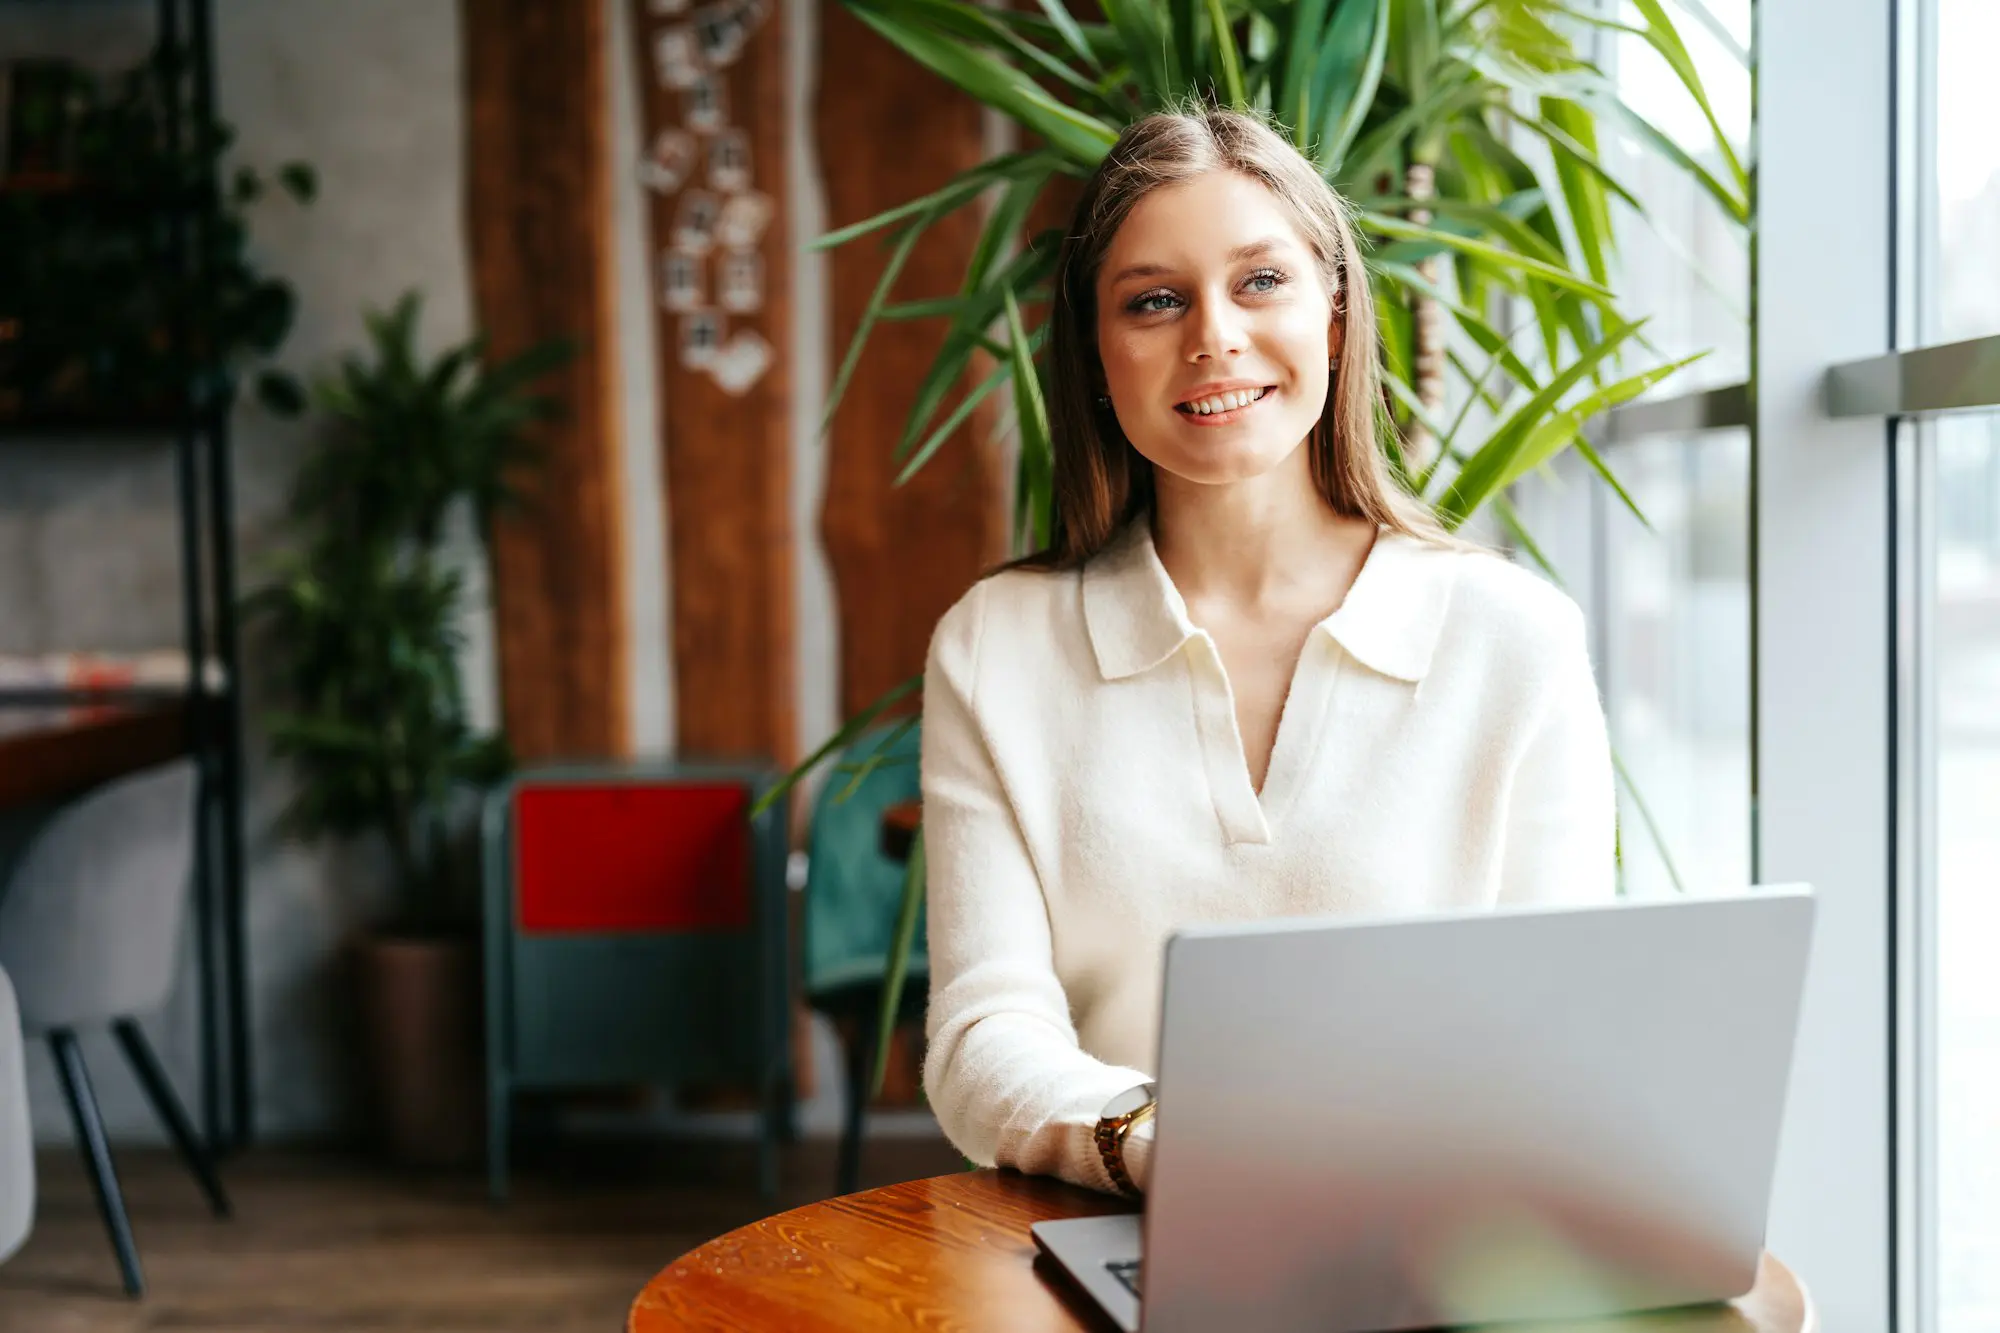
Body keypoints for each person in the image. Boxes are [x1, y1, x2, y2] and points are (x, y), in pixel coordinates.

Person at [917, 107, 1616, 1199]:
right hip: (1115, 1229)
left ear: (1334, 317)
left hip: (1428, 1232)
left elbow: (1568, 1028)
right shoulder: (995, 649)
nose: (1211, 337)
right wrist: (1162, 1145)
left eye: (1258, 282)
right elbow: (981, 1032)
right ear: (1097, 354)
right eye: (1153, 300)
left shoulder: (1512, 639)